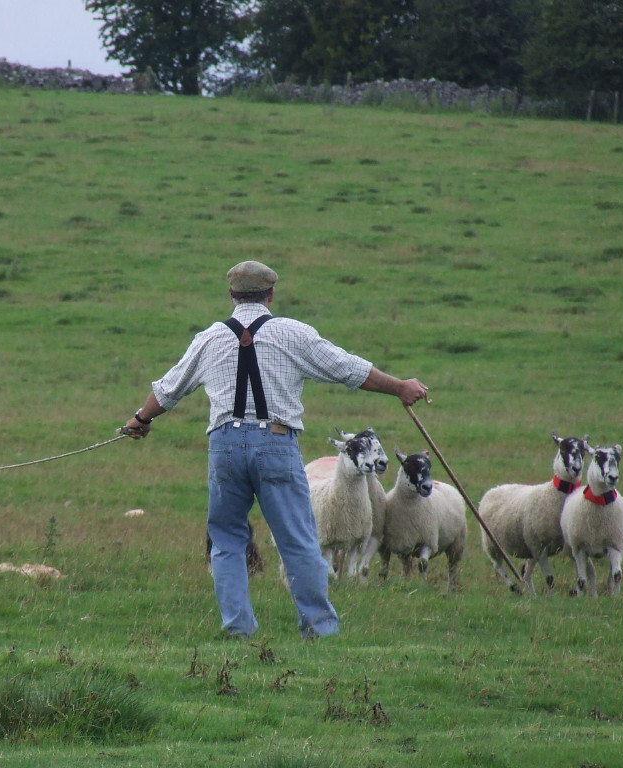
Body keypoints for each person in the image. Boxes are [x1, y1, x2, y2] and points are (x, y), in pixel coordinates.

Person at [123, 260, 429, 638]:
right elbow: (347, 368)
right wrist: (399, 387)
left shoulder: (209, 338)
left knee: (227, 541)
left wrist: (140, 419)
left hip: (224, 446)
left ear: (231, 295)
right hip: (276, 443)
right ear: (270, 295)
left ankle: (238, 629)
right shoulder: (293, 333)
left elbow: (168, 389)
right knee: (299, 539)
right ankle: (319, 629)